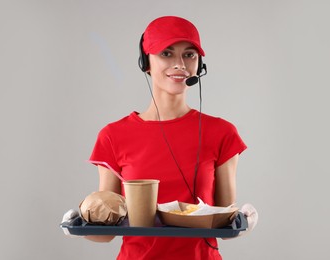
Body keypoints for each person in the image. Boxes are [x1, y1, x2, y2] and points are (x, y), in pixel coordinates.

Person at [64, 16, 258, 259]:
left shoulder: (222, 133)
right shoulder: (113, 136)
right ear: (146, 63)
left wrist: (242, 224)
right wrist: (79, 226)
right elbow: (106, 233)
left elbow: (223, 222)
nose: (180, 64)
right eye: (166, 54)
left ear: (200, 64)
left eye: (189, 55)